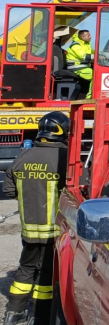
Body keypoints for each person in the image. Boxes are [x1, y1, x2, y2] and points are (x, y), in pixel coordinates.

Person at [2, 112, 70, 325]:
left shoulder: (24, 155)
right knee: (46, 272)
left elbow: (9, 189)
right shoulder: (65, 158)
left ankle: (13, 313)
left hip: (28, 229)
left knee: (26, 268)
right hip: (53, 231)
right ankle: (38, 315)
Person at [65, 30, 93, 99]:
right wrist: (98, 57)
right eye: (88, 35)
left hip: (83, 67)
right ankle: (89, 96)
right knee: (94, 74)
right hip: (75, 68)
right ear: (83, 37)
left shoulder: (86, 45)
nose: (91, 37)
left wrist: (100, 54)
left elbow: (92, 52)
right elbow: (84, 56)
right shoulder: (75, 45)